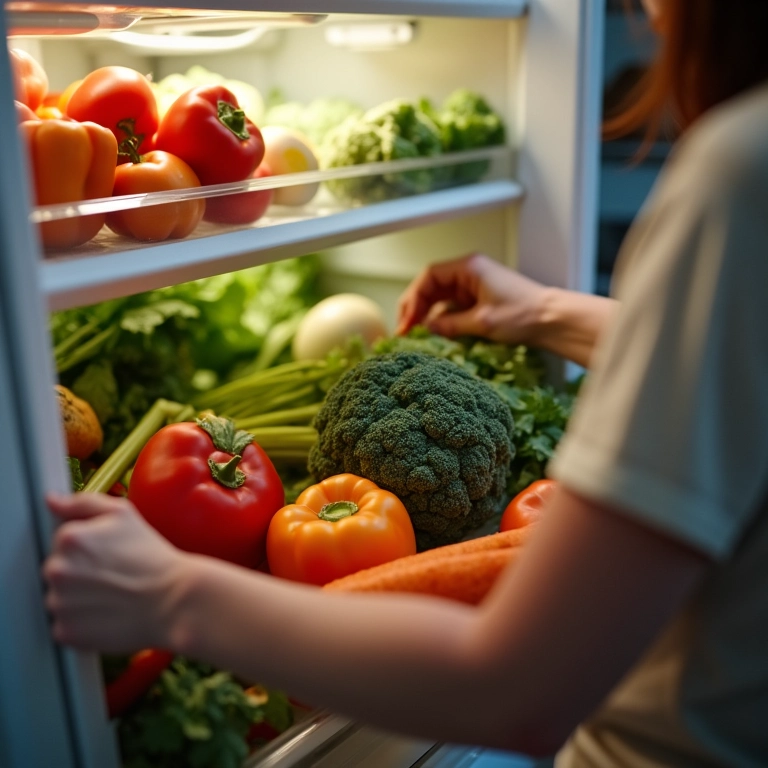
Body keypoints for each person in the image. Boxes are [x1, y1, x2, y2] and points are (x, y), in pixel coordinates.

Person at [43, 0, 768, 764]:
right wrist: (547, 310)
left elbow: (519, 689)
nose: (641, 8)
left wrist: (171, 594)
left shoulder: (739, 169)